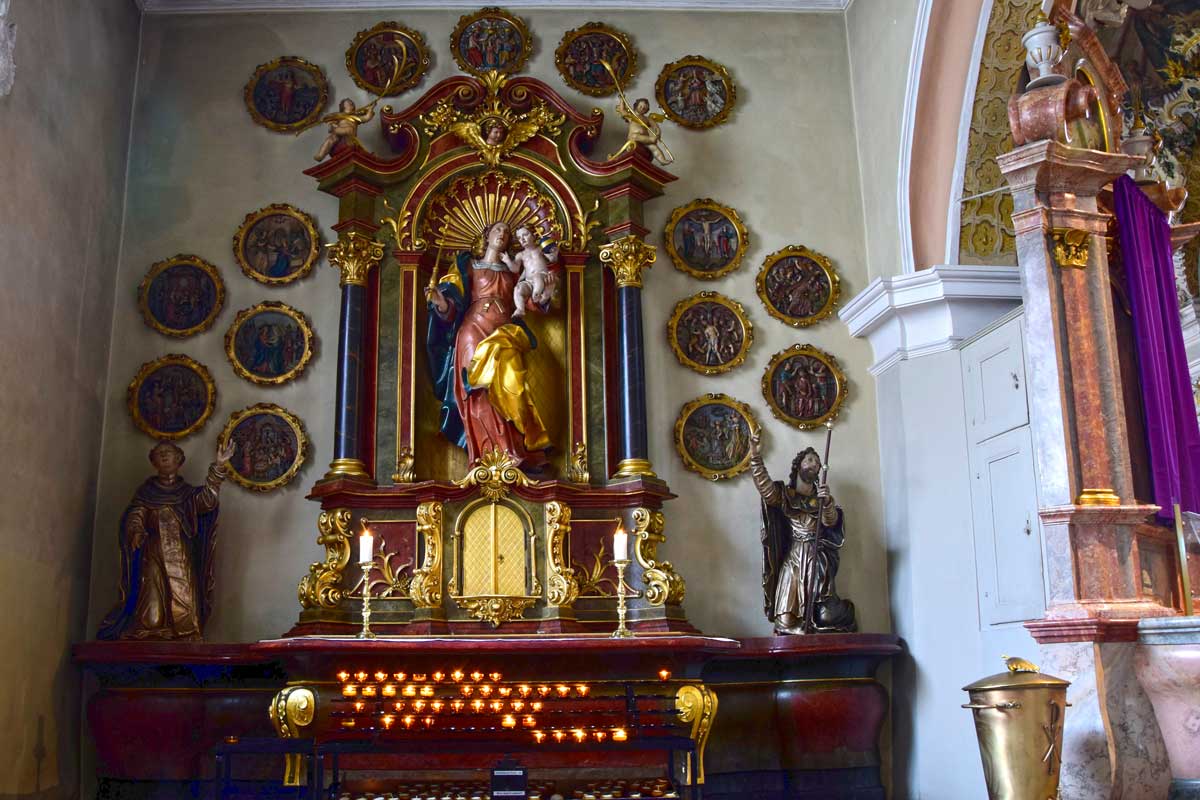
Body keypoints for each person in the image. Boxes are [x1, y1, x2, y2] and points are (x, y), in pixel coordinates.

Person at [426, 221, 555, 471]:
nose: (503, 234)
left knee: (512, 385)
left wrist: (545, 293)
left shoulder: (513, 270)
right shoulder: (469, 266)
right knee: (479, 388)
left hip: (505, 331)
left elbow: (531, 302)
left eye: (507, 232)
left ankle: (515, 449)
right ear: (486, 236)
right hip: (472, 330)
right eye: (498, 230)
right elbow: (451, 307)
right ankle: (488, 456)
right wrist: (440, 302)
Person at [97, 439, 235, 641]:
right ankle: (152, 629)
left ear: (179, 460)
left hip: (179, 550)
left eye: (168, 452)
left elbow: (208, 501)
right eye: (159, 453)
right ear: (153, 461)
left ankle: (186, 633)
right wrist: (135, 530)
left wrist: (219, 466)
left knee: (183, 592)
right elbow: (136, 514)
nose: (164, 455)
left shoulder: (186, 494)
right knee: (151, 597)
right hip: (151, 550)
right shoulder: (146, 492)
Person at [748, 428, 856, 634]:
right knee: (785, 622)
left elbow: (830, 521)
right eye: (809, 459)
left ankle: (833, 614)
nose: (814, 464)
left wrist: (828, 504)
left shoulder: (821, 499)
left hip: (817, 560)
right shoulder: (785, 495)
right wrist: (755, 456)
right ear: (798, 466)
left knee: (823, 616)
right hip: (794, 559)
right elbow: (765, 488)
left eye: (817, 461)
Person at [503, 226, 558, 318]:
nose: (522, 239)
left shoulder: (540, 249)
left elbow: (552, 259)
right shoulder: (521, 255)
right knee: (518, 288)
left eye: (525, 235)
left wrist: (554, 253)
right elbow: (515, 269)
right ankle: (520, 309)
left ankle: (537, 296)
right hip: (528, 281)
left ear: (534, 236)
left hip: (542, 277)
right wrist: (507, 260)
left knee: (537, 277)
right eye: (519, 238)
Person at [609, 97, 674, 165]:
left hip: (645, 138)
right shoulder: (632, 116)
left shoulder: (647, 119)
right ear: (636, 106)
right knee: (642, 138)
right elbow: (622, 110)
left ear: (647, 110)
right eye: (640, 106)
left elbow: (656, 127)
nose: (642, 108)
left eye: (645, 108)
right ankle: (651, 140)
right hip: (634, 136)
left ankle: (662, 160)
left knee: (654, 147)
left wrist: (658, 134)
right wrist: (622, 99)